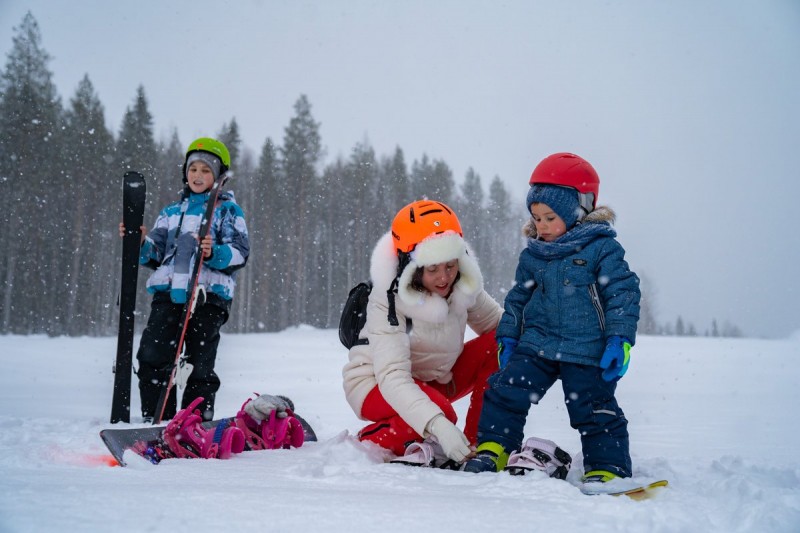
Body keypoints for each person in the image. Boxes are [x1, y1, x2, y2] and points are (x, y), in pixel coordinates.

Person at [463, 153, 641, 492]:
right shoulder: (535, 255)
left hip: (586, 347)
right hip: (538, 342)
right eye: (536, 217)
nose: (541, 225)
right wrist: (509, 336)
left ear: (579, 212)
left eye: (550, 217)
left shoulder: (601, 249)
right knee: (505, 388)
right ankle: (495, 447)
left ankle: (608, 467)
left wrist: (620, 339)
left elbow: (623, 293)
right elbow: (519, 299)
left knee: (592, 407)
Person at [342, 200, 504, 468]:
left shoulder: (462, 283)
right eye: (433, 269)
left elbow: (500, 327)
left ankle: (476, 443)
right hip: (375, 383)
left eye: (451, 266)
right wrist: (438, 424)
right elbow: (392, 376)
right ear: (411, 266)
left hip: (435, 378)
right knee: (441, 417)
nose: (444, 278)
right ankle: (367, 441)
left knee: (502, 342)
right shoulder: (386, 301)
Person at [119, 137, 249, 422]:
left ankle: (194, 421)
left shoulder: (228, 211)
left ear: (218, 175)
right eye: (193, 169)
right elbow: (155, 252)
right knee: (152, 354)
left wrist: (214, 252)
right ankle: (157, 418)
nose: (198, 176)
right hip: (168, 294)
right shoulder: (170, 212)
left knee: (199, 363)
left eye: (205, 170)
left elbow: (240, 252)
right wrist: (138, 242)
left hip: (208, 296)